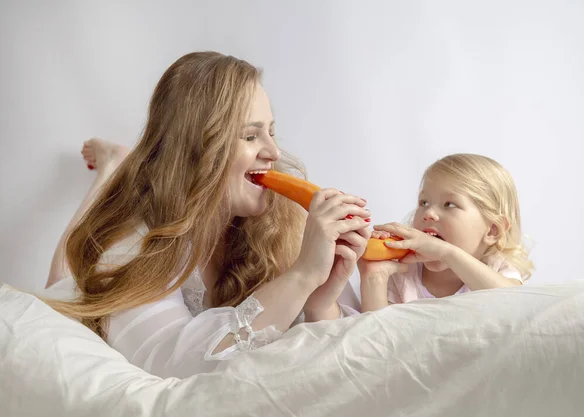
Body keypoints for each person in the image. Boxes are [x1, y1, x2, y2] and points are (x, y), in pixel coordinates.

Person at [44, 51, 371, 376]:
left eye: (272, 132)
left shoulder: (278, 223)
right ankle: (112, 166)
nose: (273, 152)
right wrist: (301, 275)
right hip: (93, 293)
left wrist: (321, 301)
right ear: (197, 148)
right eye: (250, 136)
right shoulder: (129, 247)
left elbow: (339, 363)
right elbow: (176, 365)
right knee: (61, 278)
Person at [359, 153, 534, 311]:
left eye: (449, 204)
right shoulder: (403, 273)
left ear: (492, 230)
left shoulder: (496, 268)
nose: (428, 213)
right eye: (424, 202)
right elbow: (379, 336)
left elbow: (513, 305)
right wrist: (374, 278)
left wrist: (446, 252)